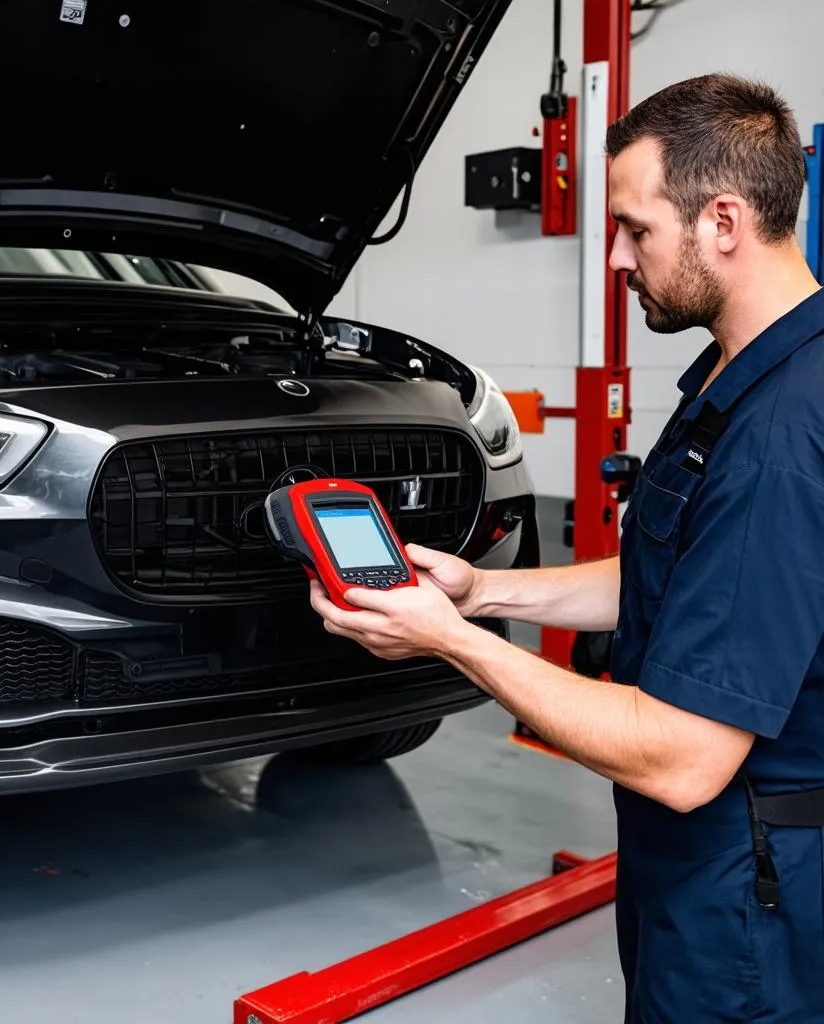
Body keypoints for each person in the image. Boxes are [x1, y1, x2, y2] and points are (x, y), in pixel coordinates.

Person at [310, 72, 824, 1023]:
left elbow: (682, 756)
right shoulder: (749, 371)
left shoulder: (781, 437)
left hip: (750, 905)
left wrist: (451, 643)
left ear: (722, 221)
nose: (621, 259)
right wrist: (479, 594)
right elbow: (674, 576)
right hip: (709, 870)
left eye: (637, 229)